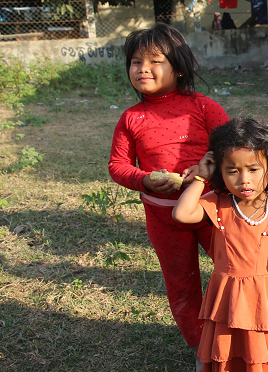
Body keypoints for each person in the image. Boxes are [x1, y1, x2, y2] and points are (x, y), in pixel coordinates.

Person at [108, 23, 229, 371]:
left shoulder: (204, 107)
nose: (143, 68)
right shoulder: (130, 118)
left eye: (154, 60)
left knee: (234, 270)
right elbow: (117, 166)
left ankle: (240, 333)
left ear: (177, 67)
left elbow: (233, 150)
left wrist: (208, 166)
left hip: (210, 209)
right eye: (135, 61)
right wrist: (145, 180)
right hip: (162, 219)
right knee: (182, 285)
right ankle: (203, 348)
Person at [172, 118, 268, 372]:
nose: (244, 180)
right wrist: (201, 177)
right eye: (232, 170)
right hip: (229, 299)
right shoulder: (218, 204)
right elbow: (182, 214)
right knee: (232, 355)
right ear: (219, 170)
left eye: (253, 169)